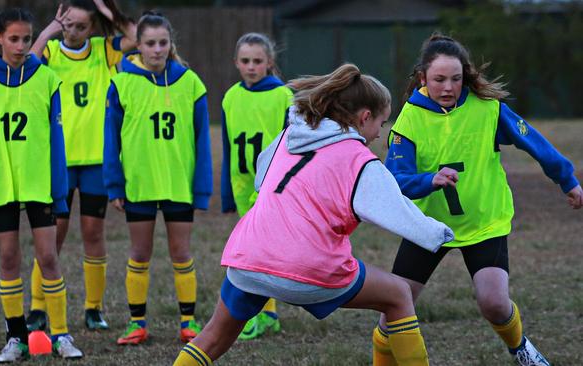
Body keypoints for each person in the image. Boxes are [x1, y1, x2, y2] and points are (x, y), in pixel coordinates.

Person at [173, 64, 455, 365]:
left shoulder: (288, 137)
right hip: (307, 266)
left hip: (250, 257)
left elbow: (261, 176)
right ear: (364, 117)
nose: (378, 134)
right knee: (399, 295)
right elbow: (398, 211)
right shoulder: (360, 160)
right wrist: (439, 234)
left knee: (214, 336)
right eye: (382, 124)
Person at [374, 34, 583, 366]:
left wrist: (566, 180)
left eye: (456, 79)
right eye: (439, 79)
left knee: (495, 304)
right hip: (429, 226)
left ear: (465, 77)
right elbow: (395, 180)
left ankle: (521, 350)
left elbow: (534, 142)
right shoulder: (408, 120)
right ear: (422, 78)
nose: (448, 87)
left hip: (484, 222)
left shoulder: (488, 110)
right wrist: (431, 180)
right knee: (394, 309)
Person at [0, 8, 83, 362]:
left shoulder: (47, 79)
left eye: (26, 39)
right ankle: (15, 337)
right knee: (8, 258)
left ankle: (60, 334)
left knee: (48, 257)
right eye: (13, 38)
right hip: (0, 184)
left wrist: (58, 192)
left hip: (39, 184)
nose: (20, 46)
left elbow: (57, 141)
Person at [103, 11, 213, 345]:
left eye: (163, 43)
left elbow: (202, 140)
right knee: (140, 253)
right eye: (150, 43)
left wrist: (202, 188)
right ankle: (137, 324)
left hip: (178, 183)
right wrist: (114, 184)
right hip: (139, 183)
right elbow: (111, 139)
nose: (157, 50)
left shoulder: (190, 82)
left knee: (181, 252)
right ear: (138, 45)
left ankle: (188, 323)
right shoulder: (121, 81)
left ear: (171, 44)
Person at [26, 0, 137, 332]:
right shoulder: (50, 54)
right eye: (68, 25)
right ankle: (37, 307)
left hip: (95, 163)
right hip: (58, 162)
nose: (73, 32)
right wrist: (48, 32)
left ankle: (93, 308)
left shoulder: (105, 51)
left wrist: (111, 14)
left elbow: (136, 38)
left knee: (93, 233)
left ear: (93, 28)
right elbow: (26, 63)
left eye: (81, 26)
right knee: (53, 236)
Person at [220, 32, 292, 340]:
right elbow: (226, 144)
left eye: (258, 61)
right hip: (242, 185)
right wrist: (226, 190)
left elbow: (292, 144)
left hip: (270, 186)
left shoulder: (283, 97)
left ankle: (267, 313)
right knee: (254, 250)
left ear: (270, 63)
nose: (251, 67)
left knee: (263, 250)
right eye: (246, 61)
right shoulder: (231, 96)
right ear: (236, 62)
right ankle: (267, 312)